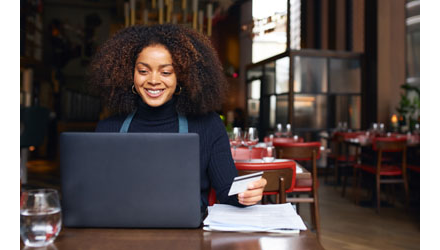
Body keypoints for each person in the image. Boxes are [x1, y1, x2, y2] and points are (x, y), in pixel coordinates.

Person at [89, 24, 266, 211]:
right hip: (121, 232)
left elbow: (227, 191)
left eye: (166, 72)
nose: (154, 80)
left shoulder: (208, 126)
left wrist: (246, 194)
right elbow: (94, 193)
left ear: (182, 76)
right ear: (129, 74)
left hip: (189, 234)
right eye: (143, 71)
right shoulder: (108, 128)